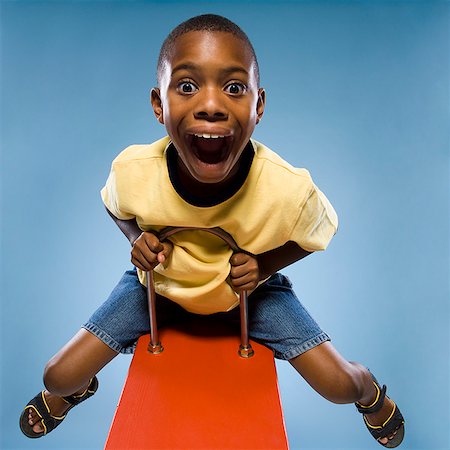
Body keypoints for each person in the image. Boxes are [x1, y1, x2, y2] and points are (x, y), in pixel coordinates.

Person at [20, 14, 404, 448]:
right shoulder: (133, 170)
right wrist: (135, 239)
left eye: (234, 87)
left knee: (337, 386)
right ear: (158, 104)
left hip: (247, 295)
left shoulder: (287, 188)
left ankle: (368, 388)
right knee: (57, 375)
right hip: (160, 288)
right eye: (186, 86)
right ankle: (79, 389)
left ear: (258, 105)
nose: (211, 104)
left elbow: (320, 230)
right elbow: (114, 204)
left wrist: (264, 266)